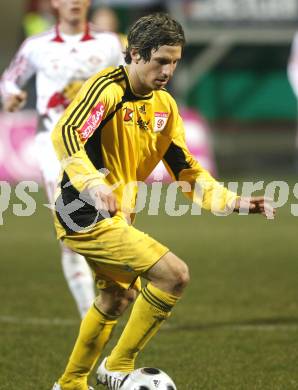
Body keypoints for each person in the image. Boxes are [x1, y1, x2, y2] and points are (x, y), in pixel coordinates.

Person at [50, 13, 275, 390]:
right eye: (161, 61)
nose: (168, 70)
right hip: (81, 212)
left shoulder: (164, 108)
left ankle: (70, 383)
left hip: (118, 214)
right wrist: (91, 183)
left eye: (175, 62)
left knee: (116, 298)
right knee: (174, 275)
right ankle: (119, 367)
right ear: (135, 54)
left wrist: (232, 201)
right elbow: (67, 133)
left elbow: (187, 169)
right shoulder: (106, 90)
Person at [0, 0, 124, 319]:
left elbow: (130, 80)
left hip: (98, 146)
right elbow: (9, 80)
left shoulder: (109, 43)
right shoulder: (36, 45)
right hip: (54, 146)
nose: (72, 2)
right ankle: (90, 314)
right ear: (54, 3)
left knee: (110, 223)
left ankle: (111, 295)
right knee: (69, 229)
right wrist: (10, 96)